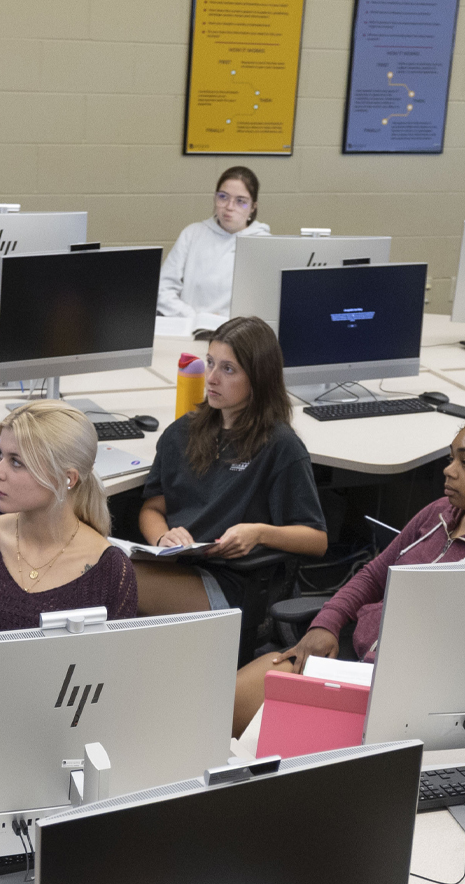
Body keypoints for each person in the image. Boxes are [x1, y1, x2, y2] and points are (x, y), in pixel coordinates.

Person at [230, 414, 465, 735]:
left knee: (264, 736)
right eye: (450, 458)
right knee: (229, 706)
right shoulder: (439, 512)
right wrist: (327, 622)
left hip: (403, 692)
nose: (449, 470)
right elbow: (373, 575)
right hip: (354, 654)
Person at [135, 316, 327, 614]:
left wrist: (259, 533)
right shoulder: (180, 433)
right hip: (177, 565)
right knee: (87, 563)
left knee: (113, 582)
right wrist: (162, 537)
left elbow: (317, 540)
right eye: (210, 362)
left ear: (258, 378)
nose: (211, 378)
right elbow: (153, 508)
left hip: (230, 581)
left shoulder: (280, 446)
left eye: (228, 369)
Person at [0, 401, 139, 638]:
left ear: (67, 479)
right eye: (0, 455)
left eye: (16, 462)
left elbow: (111, 671)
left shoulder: (111, 572)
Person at [155, 166, 272, 325]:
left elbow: (268, 303)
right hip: (191, 328)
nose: (229, 207)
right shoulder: (193, 234)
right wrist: (194, 318)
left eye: (240, 201)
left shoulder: (263, 244)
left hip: (239, 336)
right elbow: (163, 289)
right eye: (223, 197)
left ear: (253, 207)